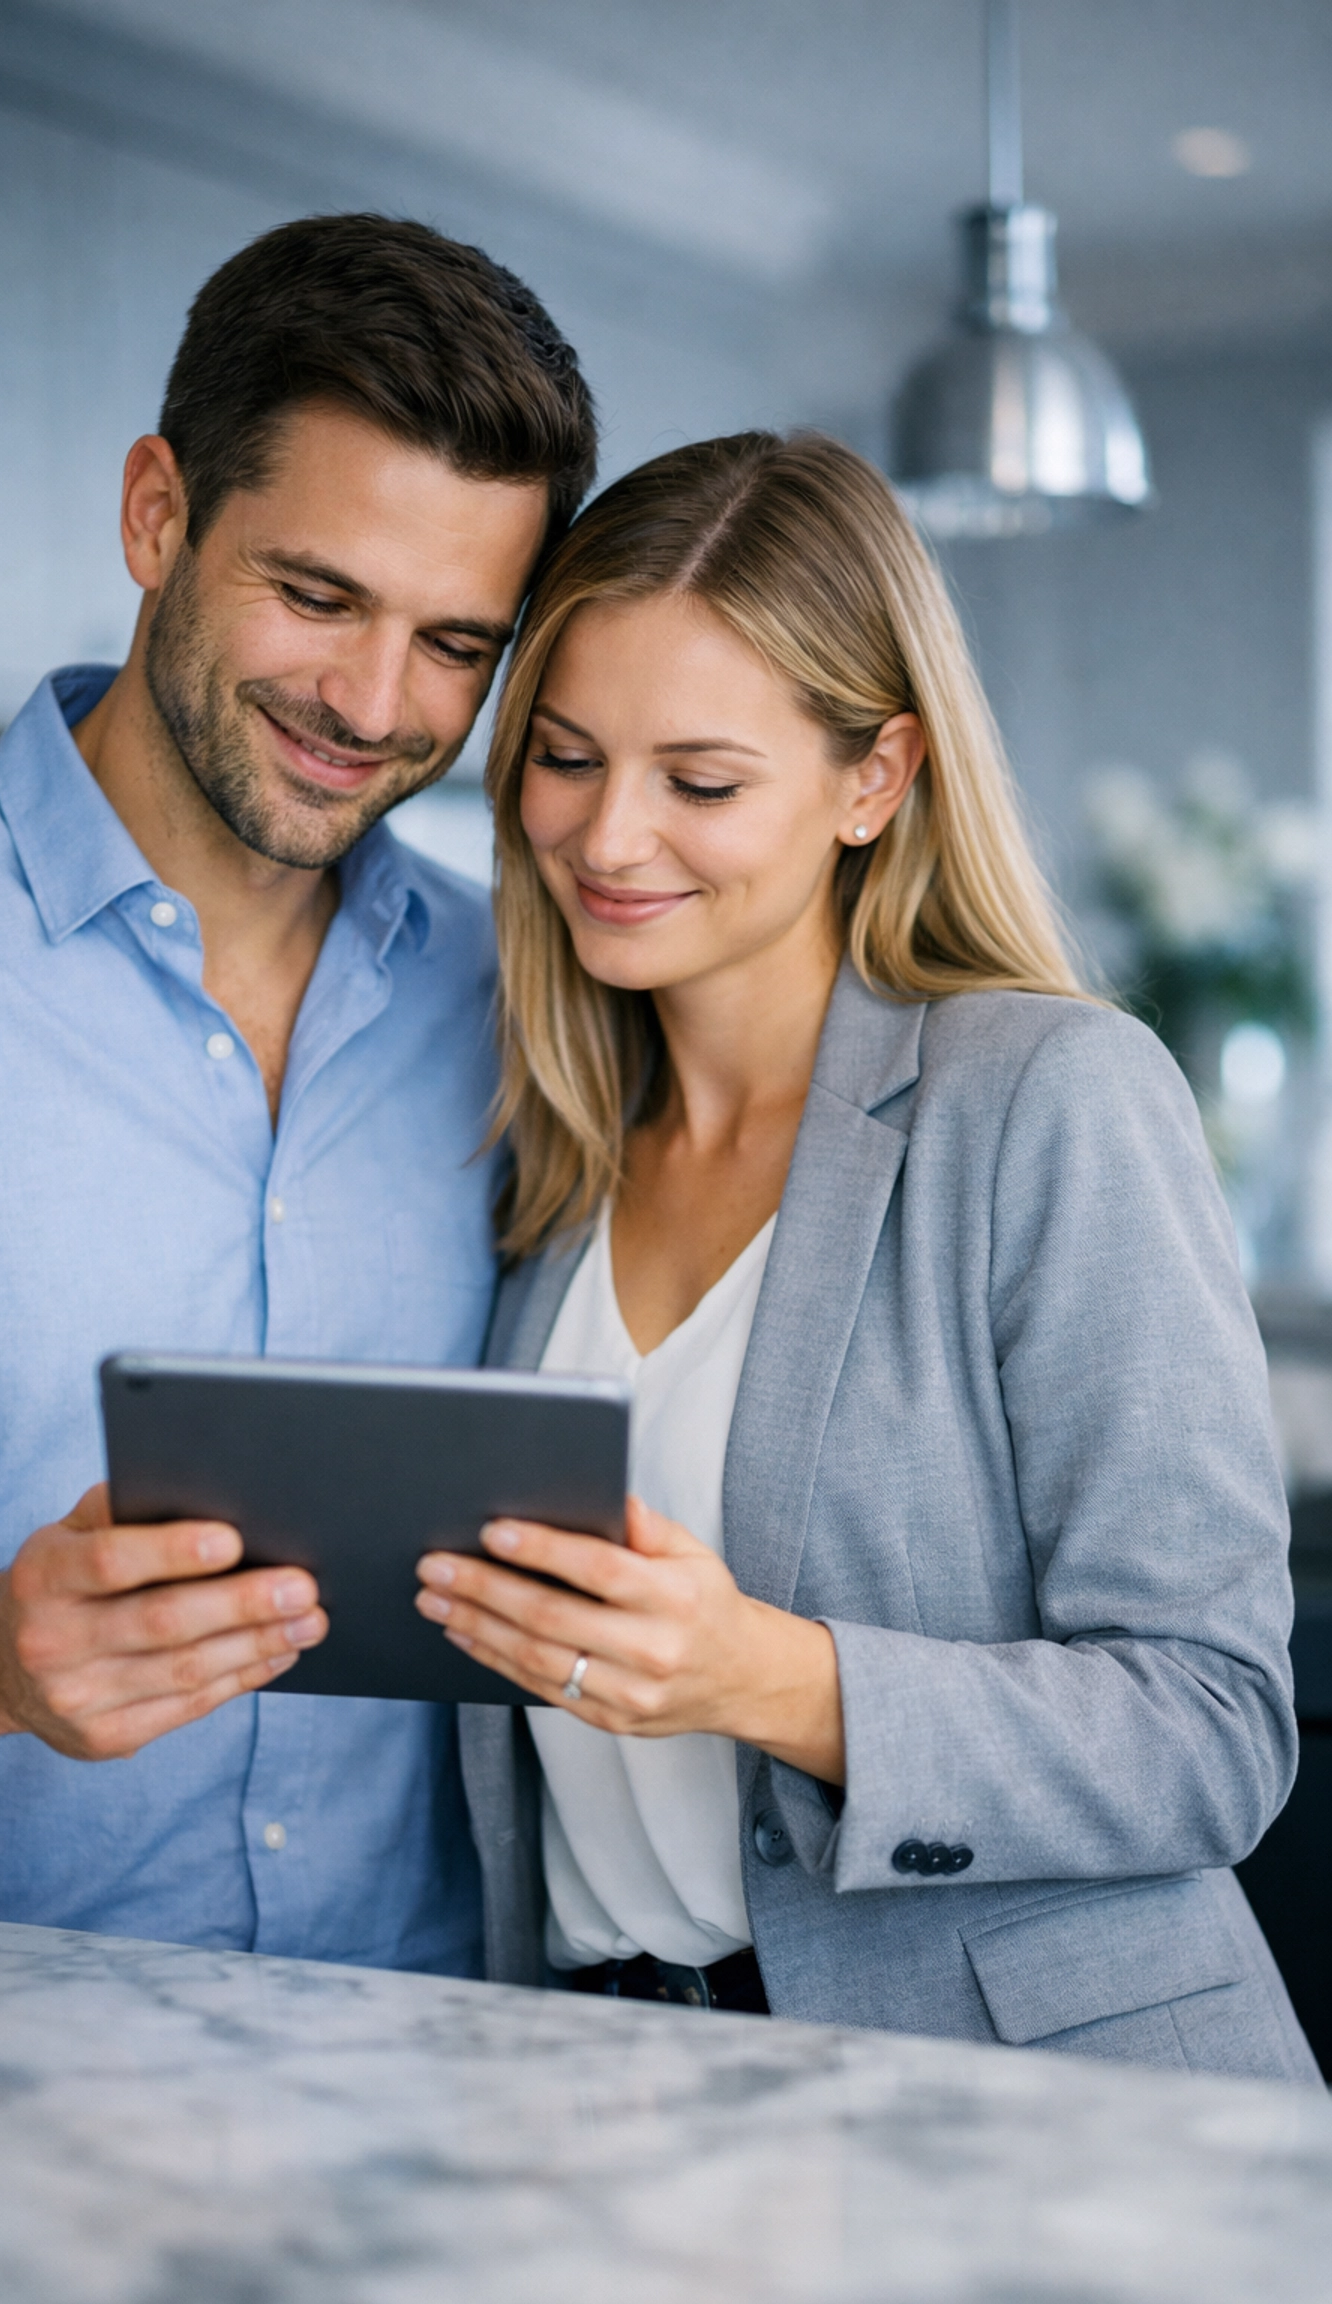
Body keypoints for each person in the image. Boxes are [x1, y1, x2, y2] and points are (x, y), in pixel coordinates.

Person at [421, 430, 1320, 2080]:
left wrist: (770, 1677)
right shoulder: (552, 1146)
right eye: (563, 757)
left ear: (875, 779)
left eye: (701, 781)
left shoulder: (1046, 1097)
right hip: (607, 2092)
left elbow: (1213, 1727)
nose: (611, 840)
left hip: (1023, 2117)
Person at [0, 214, 596, 1974]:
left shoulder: (523, 992)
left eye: (455, 644)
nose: (373, 706)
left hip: (425, 2059)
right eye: (316, 596)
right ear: (158, 511)